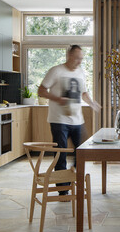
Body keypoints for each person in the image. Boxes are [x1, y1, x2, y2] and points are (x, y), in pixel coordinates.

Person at [38, 45, 101, 193]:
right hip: (59, 120)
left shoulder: (80, 72)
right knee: (61, 155)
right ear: (69, 56)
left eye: (81, 59)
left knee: (83, 152)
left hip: (77, 120)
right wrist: (57, 98)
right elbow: (41, 90)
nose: (79, 62)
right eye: (77, 58)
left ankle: (74, 177)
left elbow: (83, 93)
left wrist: (92, 103)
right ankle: (63, 190)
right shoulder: (56, 70)